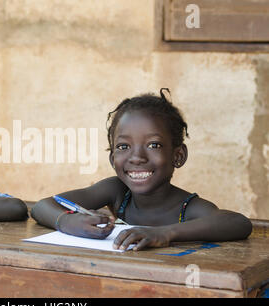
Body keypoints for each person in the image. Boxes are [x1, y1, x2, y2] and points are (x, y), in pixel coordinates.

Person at [31, 89, 252, 251]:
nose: (137, 157)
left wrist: (165, 233)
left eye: (153, 145)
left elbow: (238, 223)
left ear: (178, 155)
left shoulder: (189, 208)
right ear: (112, 158)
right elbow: (42, 206)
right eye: (123, 147)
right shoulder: (117, 191)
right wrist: (67, 222)